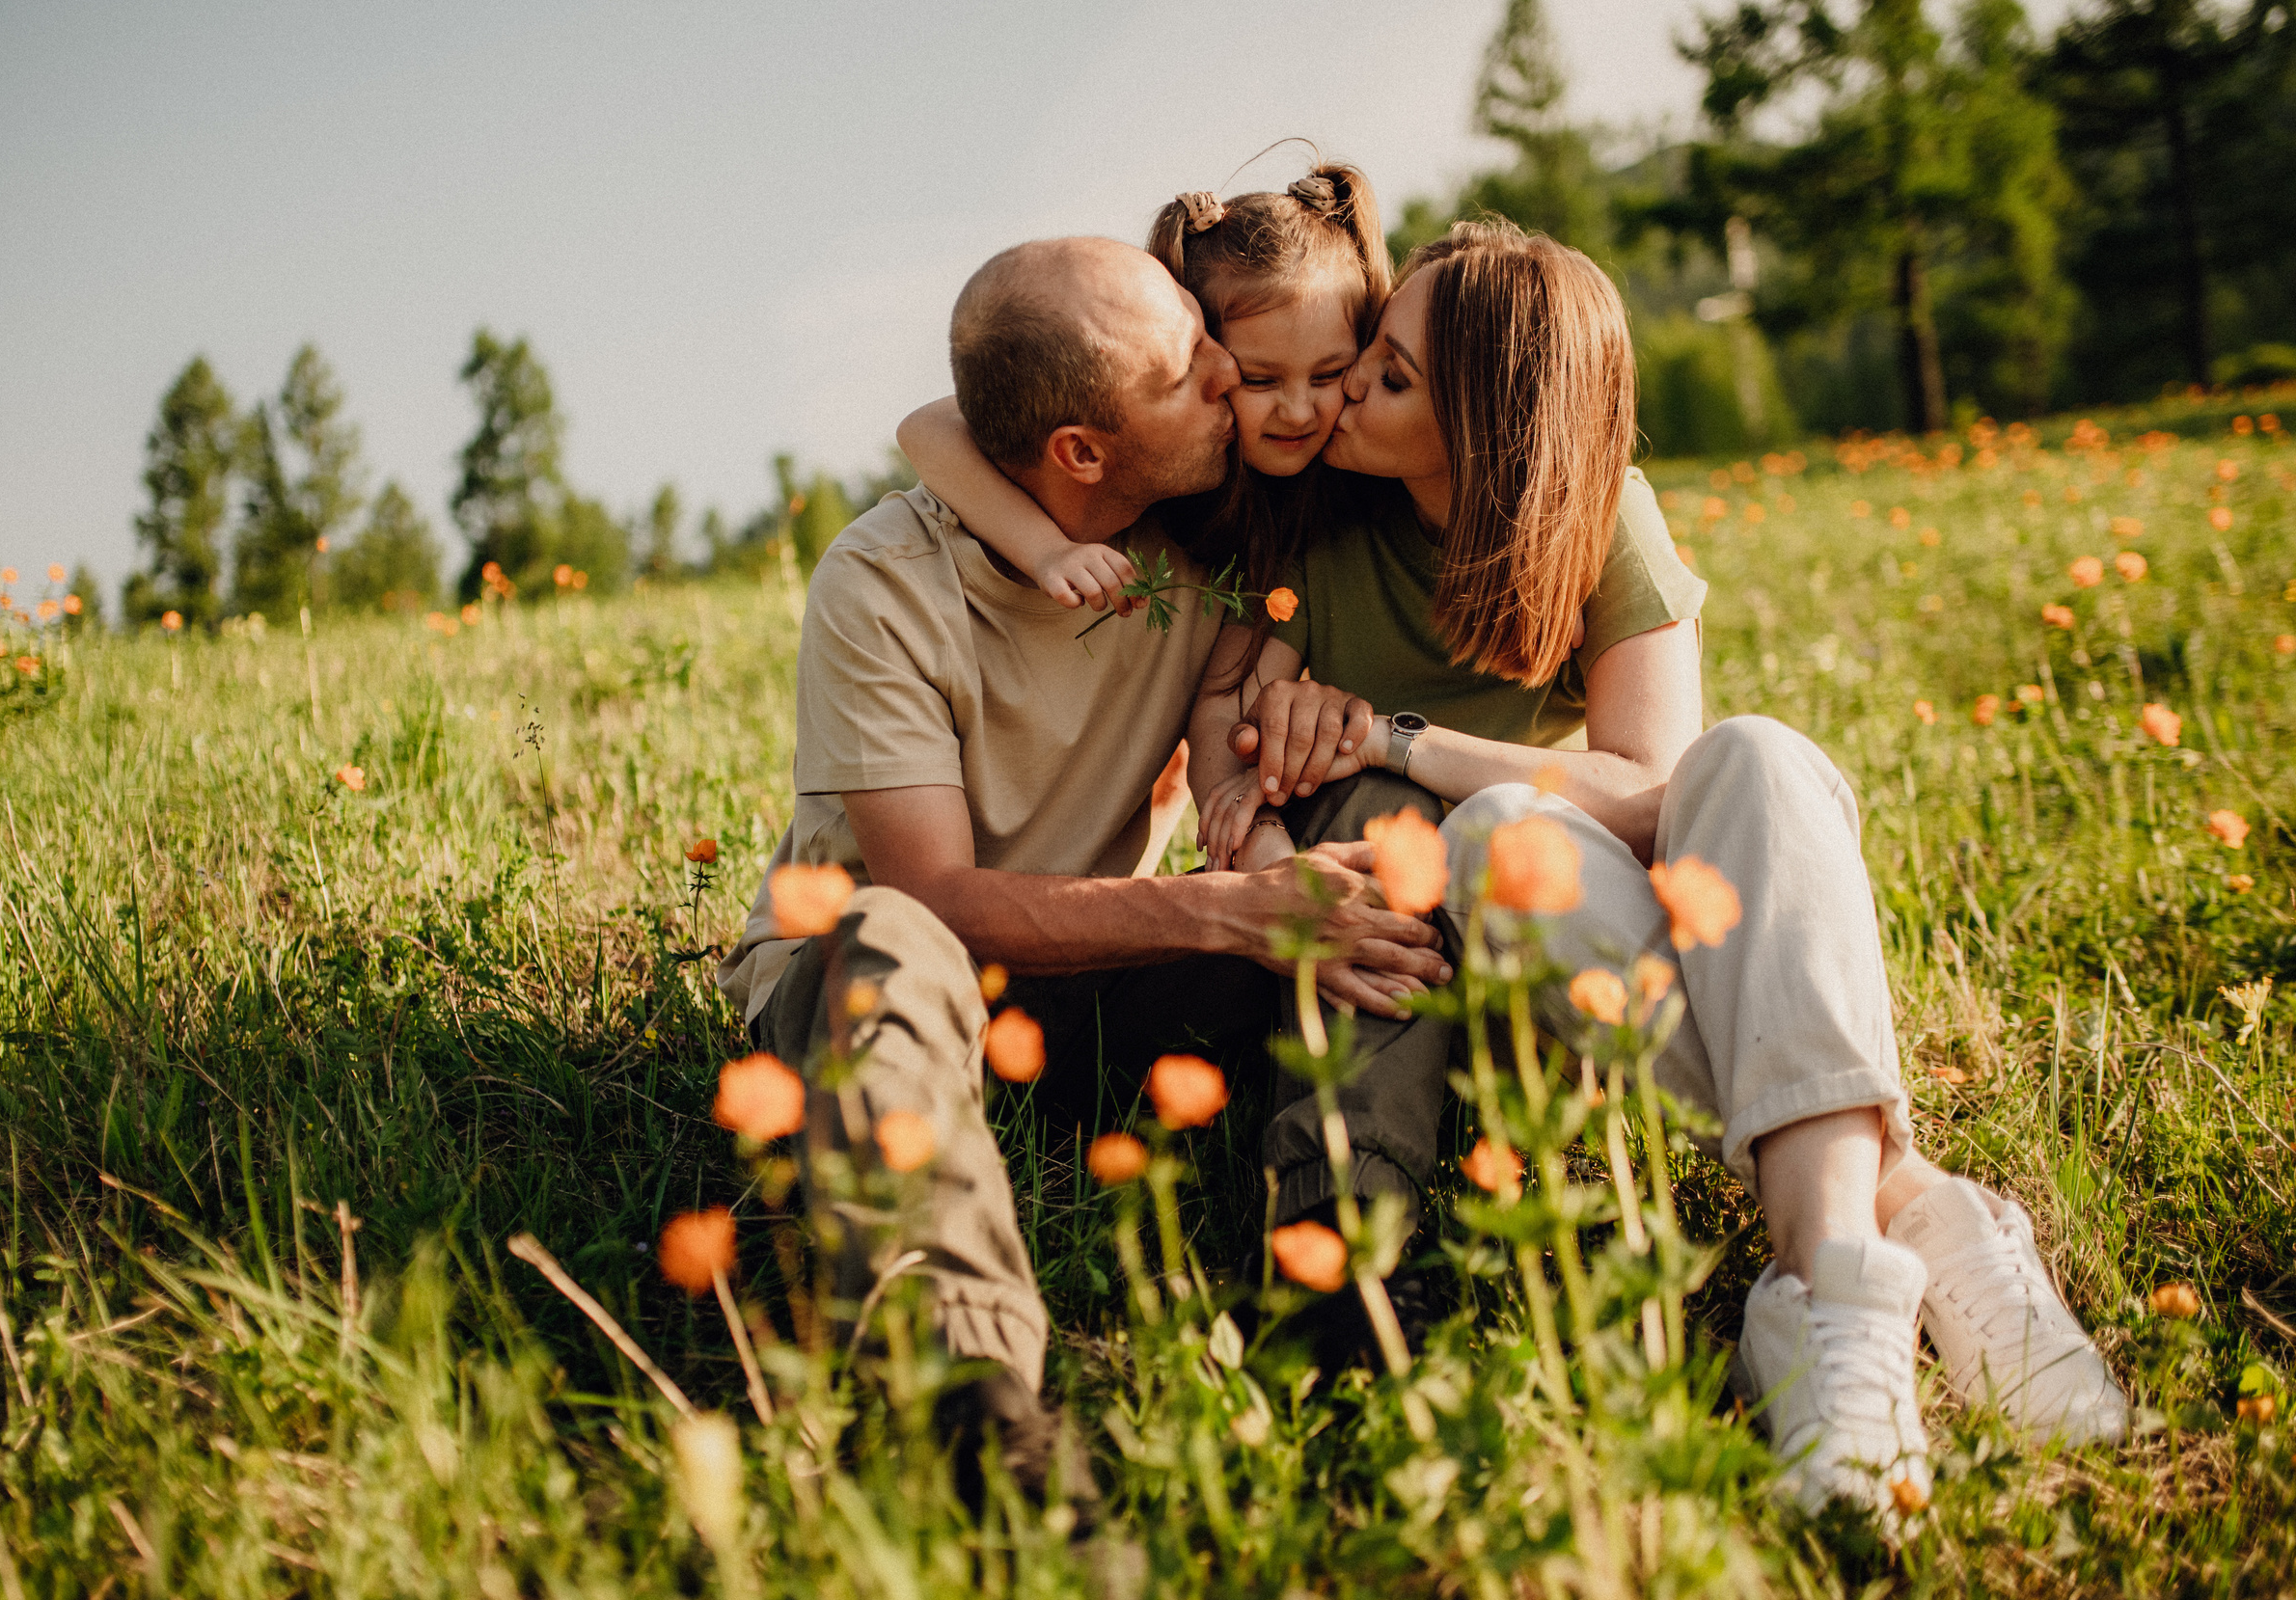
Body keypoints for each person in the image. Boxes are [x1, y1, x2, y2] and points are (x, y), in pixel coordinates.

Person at [905, 202, 2128, 1519]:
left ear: (1483, 418)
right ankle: (1924, 1214)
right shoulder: (1307, 525)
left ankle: (1839, 1264)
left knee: (1757, 757)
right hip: (1467, 959)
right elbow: (944, 427)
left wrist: (1396, 734)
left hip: (1613, 911)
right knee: (1489, 841)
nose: (1339, 393)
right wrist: (1248, 790)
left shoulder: (1606, 520)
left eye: (1385, 371)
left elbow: (1654, 796)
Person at [716, 235, 1454, 1485]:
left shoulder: (1210, 534)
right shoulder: (884, 585)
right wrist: (1227, 911)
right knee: (897, 941)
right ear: (1080, 453)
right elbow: (937, 899)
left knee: (1368, 836)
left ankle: (1343, 1272)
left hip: (1101, 985)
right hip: (890, 988)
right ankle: (975, 1403)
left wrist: (1263, 838)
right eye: (1187, 372)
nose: (1224, 373)